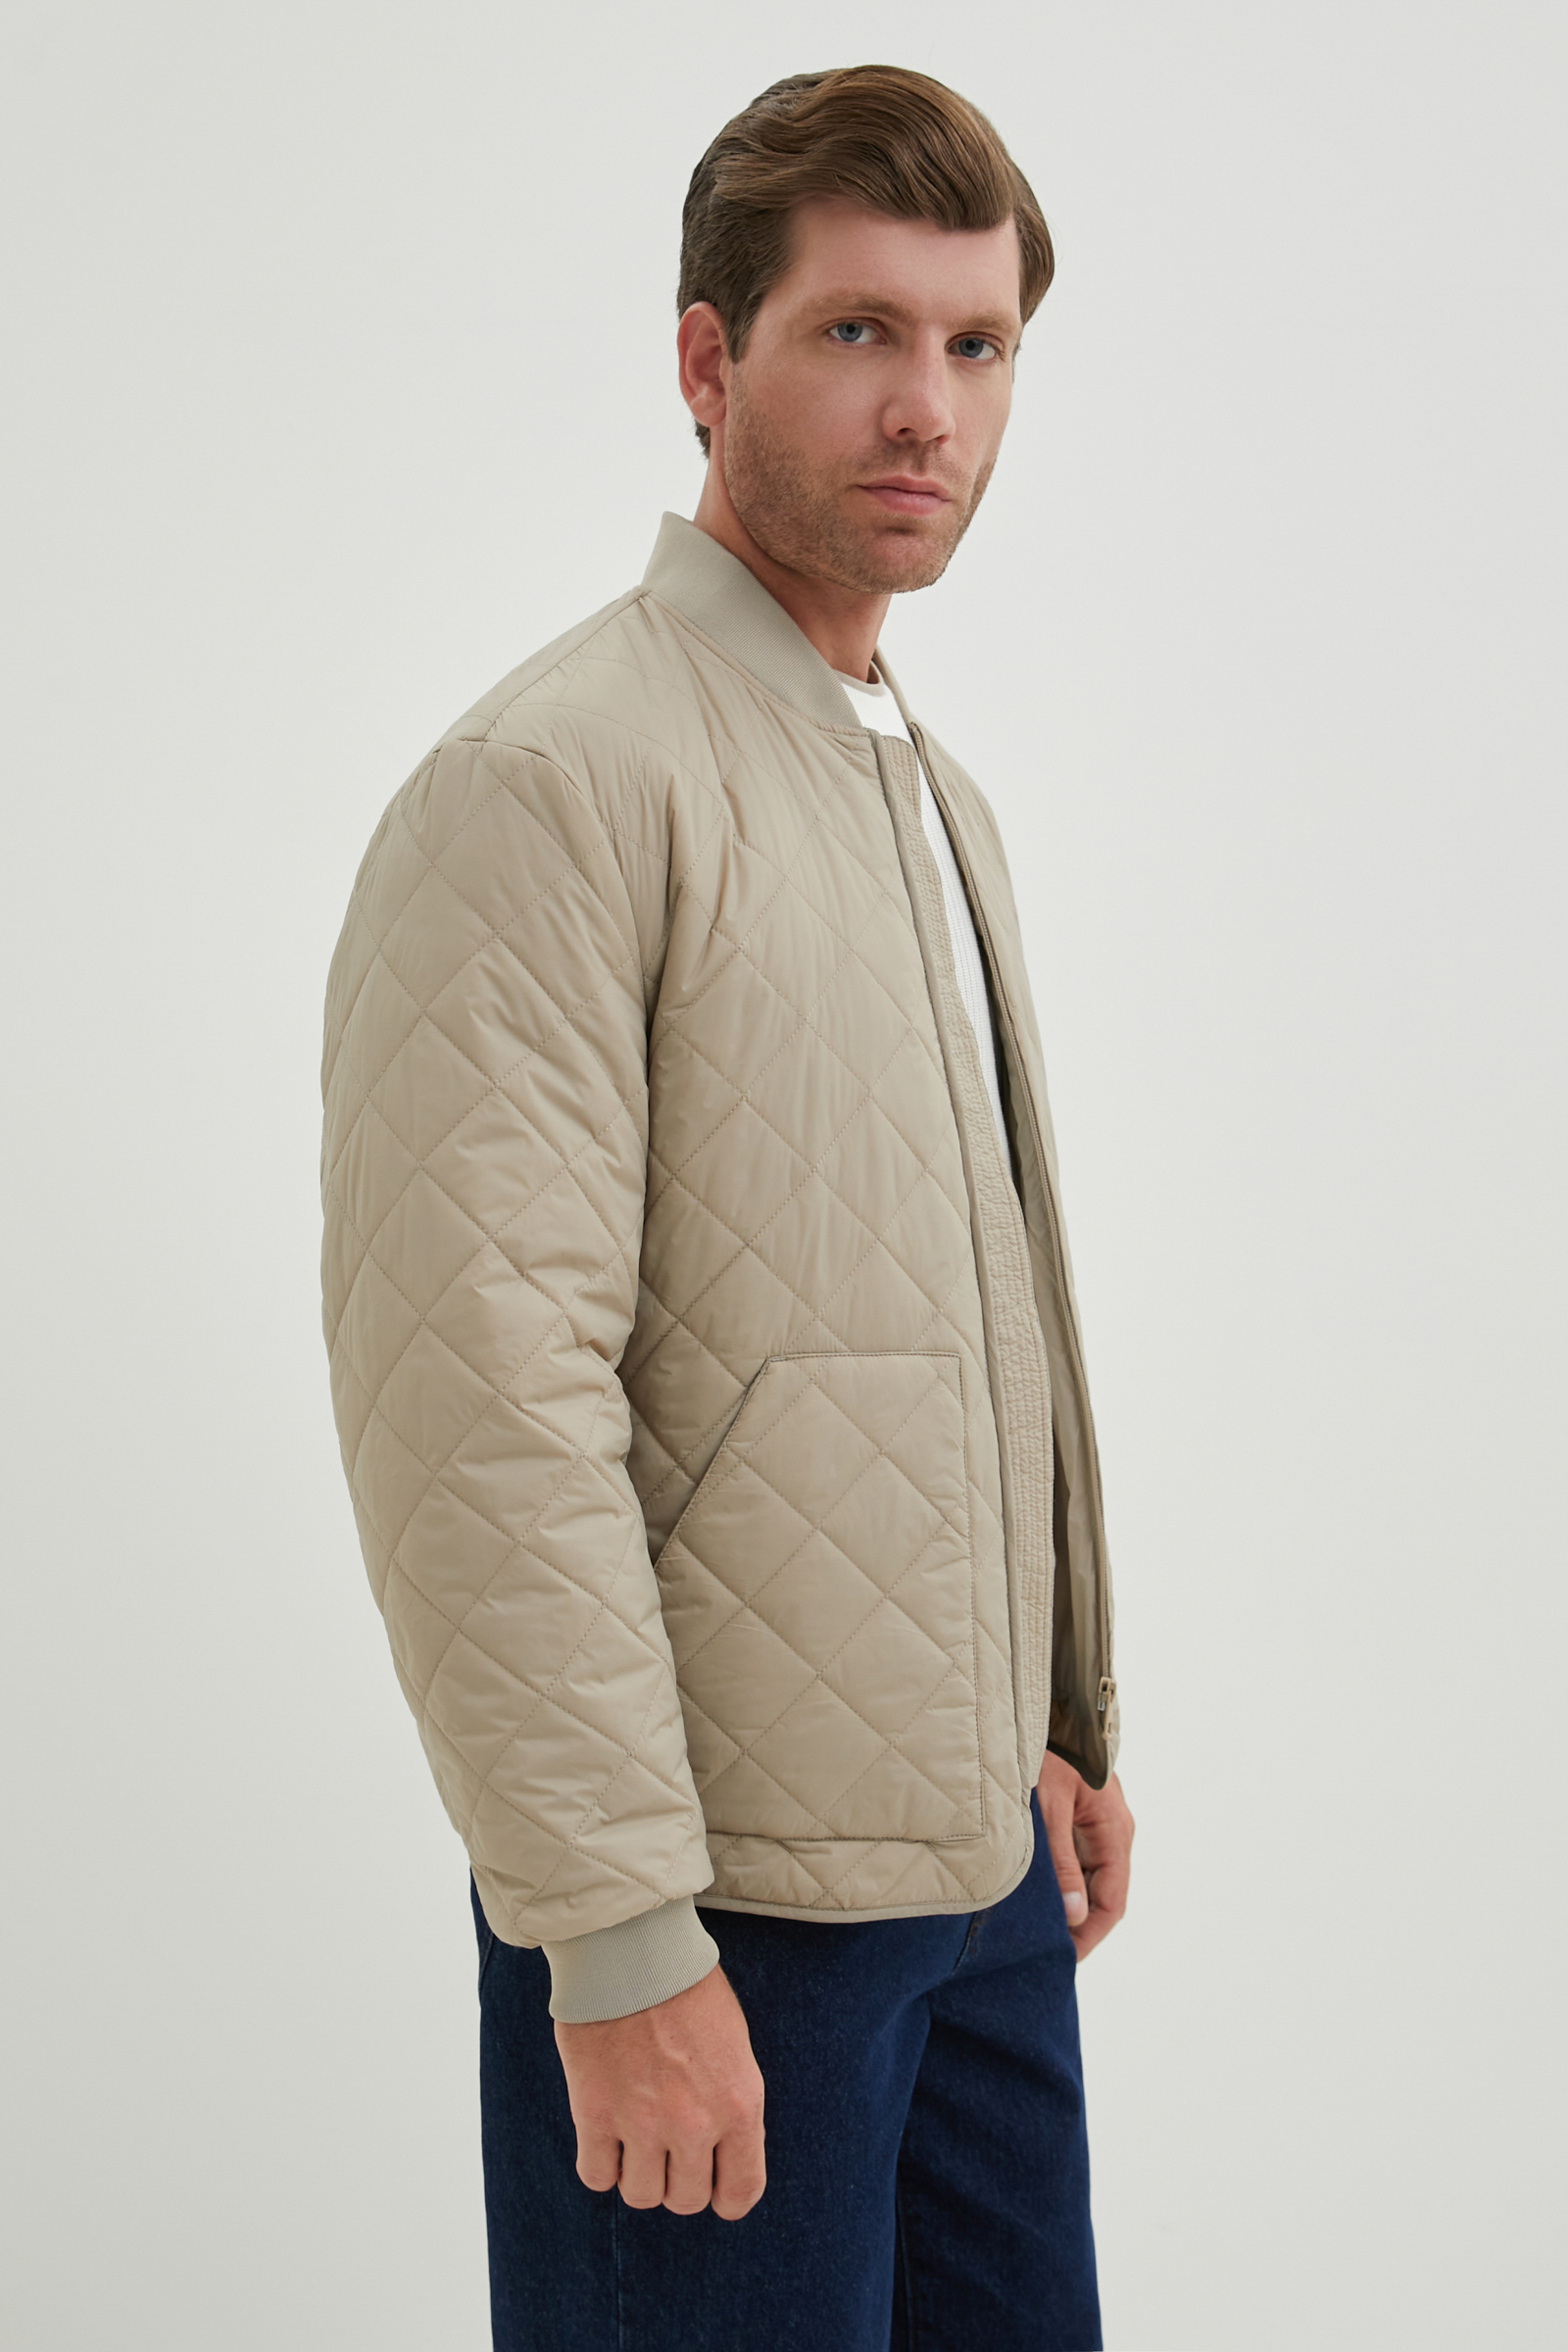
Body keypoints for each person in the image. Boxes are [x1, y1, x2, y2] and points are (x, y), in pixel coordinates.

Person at [320, 63, 1134, 2352]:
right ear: (705, 358)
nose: (925, 409)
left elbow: (951, 1310)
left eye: (975, 345)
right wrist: (608, 1932)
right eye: (855, 331)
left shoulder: (928, 796)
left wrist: (1042, 1716)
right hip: (712, 1915)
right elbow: (477, 1390)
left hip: (972, 1883)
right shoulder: (550, 783)